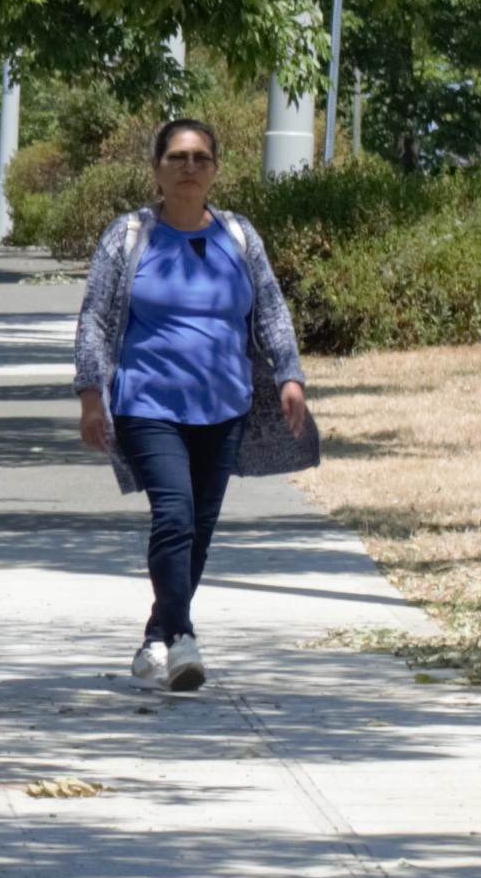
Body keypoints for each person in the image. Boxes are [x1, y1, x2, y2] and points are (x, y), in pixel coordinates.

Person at [74, 117, 312, 691]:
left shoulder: (239, 236)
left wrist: (290, 376)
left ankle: (157, 635)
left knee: (199, 531)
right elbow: (96, 320)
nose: (189, 167)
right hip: (148, 404)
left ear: (215, 170)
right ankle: (183, 641)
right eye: (177, 157)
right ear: (157, 168)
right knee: (174, 516)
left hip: (223, 406)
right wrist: (90, 395)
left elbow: (272, 310)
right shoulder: (130, 235)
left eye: (200, 158)